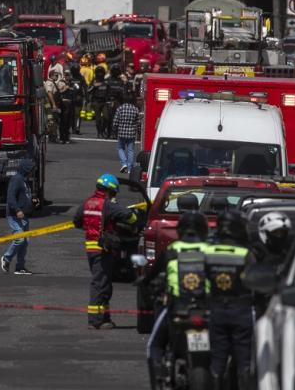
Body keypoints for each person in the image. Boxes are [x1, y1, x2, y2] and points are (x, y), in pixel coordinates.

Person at [144, 211, 210, 389]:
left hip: (177, 308)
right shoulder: (210, 250)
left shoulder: (172, 250)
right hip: (207, 308)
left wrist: (145, 281)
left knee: (154, 345)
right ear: (204, 230)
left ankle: (157, 383)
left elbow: (152, 274)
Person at [73, 174, 138, 329]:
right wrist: (134, 222)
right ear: (110, 191)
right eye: (114, 193)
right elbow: (129, 216)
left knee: (105, 283)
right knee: (99, 284)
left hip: (91, 247)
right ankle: (94, 321)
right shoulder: (107, 205)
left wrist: (90, 228)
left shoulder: (87, 203)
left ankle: (105, 319)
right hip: (103, 249)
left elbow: (76, 221)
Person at [205, 211, 255, 390]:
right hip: (241, 311)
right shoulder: (245, 254)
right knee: (244, 362)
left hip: (216, 309)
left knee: (217, 359)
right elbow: (255, 282)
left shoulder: (208, 251)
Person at [1, 159, 36, 275]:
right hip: (14, 215)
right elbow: (10, 197)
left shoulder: (25, 181)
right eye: (31, 170)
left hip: (24, 216)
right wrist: (17, 210)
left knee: (25, 242)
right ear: (26, 169)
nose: (32, 172)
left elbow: (25, 196)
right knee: (19, 239)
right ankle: (6, 258)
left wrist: (33, 202)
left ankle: (20, 267)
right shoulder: (17, 179)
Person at [112, 93, 140, 173]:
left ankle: (124, 163)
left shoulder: (120, 108)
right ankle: (130, 168)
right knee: (130, 150)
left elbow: (115, 121)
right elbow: (138, 123)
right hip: (131, 133)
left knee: (121, 148)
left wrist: (114, 129)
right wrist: (138, 131)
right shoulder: (135, 109)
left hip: (121, 132)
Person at [88, 67, 111, 138]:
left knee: (106, 117)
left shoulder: (106, 82)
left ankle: (103, 130)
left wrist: (109, 100)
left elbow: (109, 92)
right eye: (98, 73)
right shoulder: (94, 81)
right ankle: (99, 132)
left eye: (101, 73)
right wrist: (94, 86)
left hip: (104, 102)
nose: (100, 74)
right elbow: (88, 91)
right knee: (98, 119)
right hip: (96, 102)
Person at [43, 69, 64, 143]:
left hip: (54, 104)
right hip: (50, 105)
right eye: (55, 75)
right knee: (52, 121)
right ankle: (53, 137)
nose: (57, 76)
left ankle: (53, 137)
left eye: (57, 75)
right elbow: (49, 93)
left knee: (54, 120)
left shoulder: (53, 83)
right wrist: (54, 104)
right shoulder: (49, 83)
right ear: (51, 75)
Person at [58, 71, 77, 144]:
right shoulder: (61, 82)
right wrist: (65, 88)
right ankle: (62, 137)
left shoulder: (72, 83)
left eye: (68, 75)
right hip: (64, 103)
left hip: (71, 103)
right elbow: (59, 92)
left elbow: (76, 90)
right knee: (63, 121)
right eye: (66, 75)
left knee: (69, 121)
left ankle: (67, 137)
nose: (68, 77)